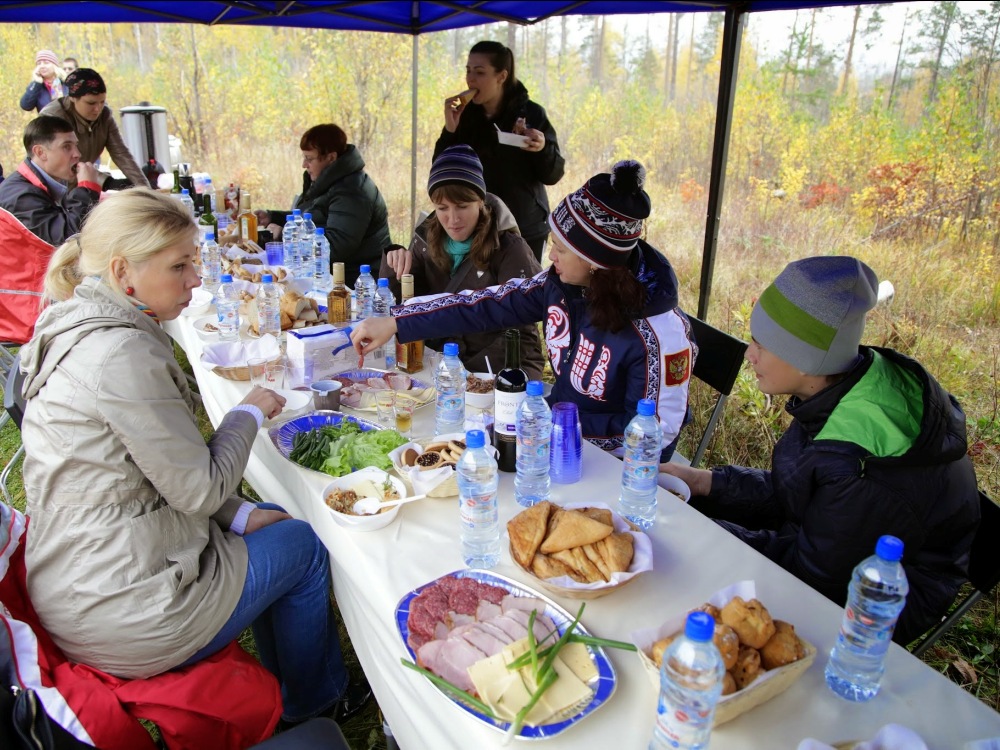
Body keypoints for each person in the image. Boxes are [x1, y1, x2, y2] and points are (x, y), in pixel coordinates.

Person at [17, 189, 371, 726]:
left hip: (81, 583)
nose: (196, 281)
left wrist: (243, 514)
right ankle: (315, 702)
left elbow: (154, 470)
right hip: (125, 614)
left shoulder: (77, 323)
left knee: (271, 527)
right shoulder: (120, 354)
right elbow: (198, 489)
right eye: (179, 267)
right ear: (123, 272)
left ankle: (288, 683)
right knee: (301, 545)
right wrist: (247, 413)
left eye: (194, 264)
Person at [660, 256, 981, 645]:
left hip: (866, 603)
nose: (749, 354)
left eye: (763, 344)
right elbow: (800, 489)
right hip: (829, 543)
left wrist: (697, 532)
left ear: (807, 359)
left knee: (671, 569)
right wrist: (706, 483)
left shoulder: (863, 466)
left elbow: (807, 576)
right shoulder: (842, 388)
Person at [353, 160, 693, 461]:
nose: (550, 257)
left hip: (610, 466)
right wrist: (396, 321)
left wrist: (549, 421)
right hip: (550, 440)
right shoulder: (562, 285)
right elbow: (483, 304)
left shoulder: (658, 334)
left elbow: (655, 437)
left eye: (559, 249)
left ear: (595, 263)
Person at [380, 145, 545, 378]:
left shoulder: (510, 249)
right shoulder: (426, 238)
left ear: (480, 200)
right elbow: (404, 303)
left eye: (463, 206)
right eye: (442, 208)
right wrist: (394, 260)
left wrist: (472, 377)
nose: (453, 219)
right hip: (438, 365)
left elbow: (522, 336)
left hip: (490, 372)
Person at [436, 41, 564, 262]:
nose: (470, 79)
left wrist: (543, 148)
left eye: (479, 72)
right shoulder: (465, 116)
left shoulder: (531, 114)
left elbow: (552, 175)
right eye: (468, 71)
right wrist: (450, 130)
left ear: (501, 76)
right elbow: (442, 172)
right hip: (477, 226)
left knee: (522, 292)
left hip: (525, 225)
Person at [258, 123, 390, 284]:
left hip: (355, 281)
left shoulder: (352, 191)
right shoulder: (330, 180)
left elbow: (336, 247)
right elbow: (310, 216)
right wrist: (273, 217)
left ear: (331, 157)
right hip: (329, 273)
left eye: (309, 158)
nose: (304, 165)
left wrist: (286, 234)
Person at [0, 115, 105, 245]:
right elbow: (68, 239)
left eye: (76, 146)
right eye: (67, 147)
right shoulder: (20, 195)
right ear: (40, 152)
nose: (77, 154)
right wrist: (87, 188)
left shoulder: (50, 183)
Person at [41, 68, 150, 189]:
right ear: (72, 98)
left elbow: (121, 153)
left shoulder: (105, 115)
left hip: (81, 186)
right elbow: (61, 163)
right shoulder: (53, 117)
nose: (98, 109)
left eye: (102, 102)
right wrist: (106, 182)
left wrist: (144, 188)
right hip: (51, 190)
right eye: (91, 103)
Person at [20, 49, 67, 113]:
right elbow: (26, 106)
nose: (42, 66)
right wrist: (37, 83)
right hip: (46, 121)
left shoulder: (66, 83)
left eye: (46, 63)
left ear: (54, 65)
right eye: (39, 64)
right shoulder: (36, 87)